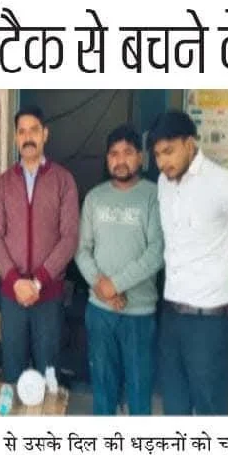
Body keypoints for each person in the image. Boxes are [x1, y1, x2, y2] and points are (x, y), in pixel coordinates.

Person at [151, 110, 228, 416]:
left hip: (209, 323)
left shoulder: (224, 184)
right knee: (174, 410)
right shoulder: (163, 183)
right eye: (157, 155)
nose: (162, 162)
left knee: (211, 411)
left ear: (189, 144)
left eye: (169, 151)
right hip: (171, 317)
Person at [76, 124, 164, 415]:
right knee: (103, 395)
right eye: (113, 154)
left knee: (139, 396)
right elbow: (81, 250)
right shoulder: (94, 198)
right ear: (107, 159)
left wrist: (115, 285)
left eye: (128, 152)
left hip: (139, 313)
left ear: (140, 157)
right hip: (100, 311)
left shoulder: (154, 196)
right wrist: (102, 288)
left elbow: (157, 252)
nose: (120, 160)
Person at [0, 105, 79, 383]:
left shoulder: (63, 180)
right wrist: (16, 281)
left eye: (34, 131)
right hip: (12, 293)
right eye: (22, 132)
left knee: (48, 371)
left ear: (45, 134)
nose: (28, 137)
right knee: (13, 369)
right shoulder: (4, 183)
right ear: (16, 137)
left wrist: (38, 282)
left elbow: (70, 237)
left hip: (48, 294)